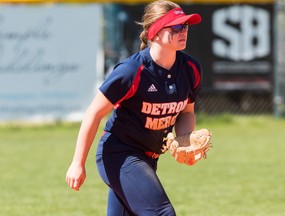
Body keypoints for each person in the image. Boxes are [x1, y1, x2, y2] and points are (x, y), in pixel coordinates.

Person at [66, 0, 203, 215]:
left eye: (185, 26)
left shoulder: (190, 69)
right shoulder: (131, 71)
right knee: (162, 213)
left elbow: (186, 112)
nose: (183, 31)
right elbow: (94, 113)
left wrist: (184, 137)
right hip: (119, 154)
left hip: (149, 157)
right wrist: (77, 163)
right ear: (155, 32)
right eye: (175, 27)